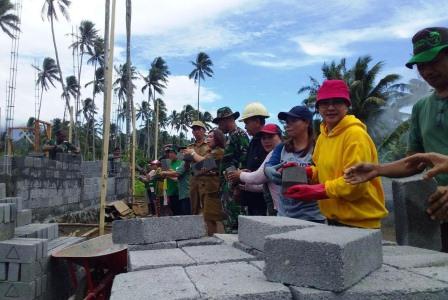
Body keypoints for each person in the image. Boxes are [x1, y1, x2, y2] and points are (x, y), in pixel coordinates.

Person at [344, 27, 448, 245]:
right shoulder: (422, 107)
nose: (427, 71)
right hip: (437, 211)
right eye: (421, 65)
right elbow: (415, 163)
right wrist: (377, 169)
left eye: (434, 61)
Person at [284, 80, 387, 228]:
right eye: (325, 103)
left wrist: (316, 191)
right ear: (318, 108)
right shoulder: (323, 136)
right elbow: (322, 171)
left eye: (337, 102)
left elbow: (355, 185)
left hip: (360, 224)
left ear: (347, 105)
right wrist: (304, 172)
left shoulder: (355, 135)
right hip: (334, 220)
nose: (330, 108)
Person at [263, 106, 325, 222]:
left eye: (293, 121)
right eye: (287, 122)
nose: (287, 125)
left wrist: (301, 173)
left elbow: (324, 175)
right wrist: (268, 170)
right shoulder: (282, 148)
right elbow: (270, 164)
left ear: (306, 122)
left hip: (311, 216)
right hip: (284, 215)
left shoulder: (318, 147)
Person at [227, 123, 283, 215]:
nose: (266, 141)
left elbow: (257, 178)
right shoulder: (274, 153)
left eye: (270, 137)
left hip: (286, 210)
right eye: (263, 138)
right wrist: (244, 186)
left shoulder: (275, 153)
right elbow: (266, 184)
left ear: (280, 137)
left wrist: (239, 175)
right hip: (279, 209)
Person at [184, 129, 226, 235]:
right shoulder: (210, 152)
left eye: (211, 137)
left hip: (214, 190)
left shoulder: (219, 151)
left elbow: (205, 164)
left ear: (218, 139)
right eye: (208, 136)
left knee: (212, 218)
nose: (208, 139)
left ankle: (216, 241)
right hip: (208, 189)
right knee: (208, 217)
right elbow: (197, 169)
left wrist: (193, 153)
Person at [213, 106, 249, 228]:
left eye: (219, 122)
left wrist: (238, 185)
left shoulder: (239, 135)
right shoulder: (231, 137)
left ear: (227, 119)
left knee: (235, 222)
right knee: (229, 220)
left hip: (234, 186)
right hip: (227, 186)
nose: (218, 126)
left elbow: (244, 160)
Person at [236, 102, 270, 215]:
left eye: (247, 123)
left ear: (257, 122)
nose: (245, 126)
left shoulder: (267, 142)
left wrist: (241, 175)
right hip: (252, 195)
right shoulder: (254, 142)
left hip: (264, 199)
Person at [187, 120, 210, 215]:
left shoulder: (209, 145)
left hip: (206, 178)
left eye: (198, 129)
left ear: (204, 131)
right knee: (194, 205)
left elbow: (208, 163)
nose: (196, 131)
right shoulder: (190, 147)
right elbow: (186, 165)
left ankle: (209, 227)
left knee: (207, 205)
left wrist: (193, 155)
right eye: (194, 129)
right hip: (194, 179)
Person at [160, 145, 183, 216]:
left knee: (182, 212)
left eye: (172, 153)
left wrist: (168, 174)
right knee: (174, 211)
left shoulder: (181, 163)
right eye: (169, 153)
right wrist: (163, 174)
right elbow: (164, 177)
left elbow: (179, 176)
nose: (170, 155)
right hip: (171, 191)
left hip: (180, 192)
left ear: (176, 154)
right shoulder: (167, 164)